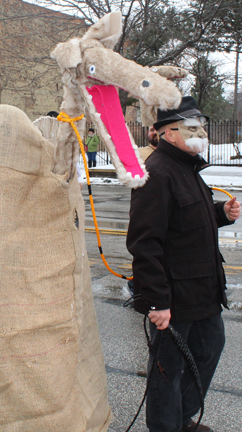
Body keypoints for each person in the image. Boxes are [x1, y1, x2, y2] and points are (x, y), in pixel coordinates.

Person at [126, 96, 240, 432]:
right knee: (167, 368)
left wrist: (220, 213)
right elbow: (144, 243)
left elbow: (186, 221)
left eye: (201, 125)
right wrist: (157, 301)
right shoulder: (156, 173)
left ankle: (183, 417)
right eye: (192, 127)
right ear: (168, 133)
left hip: (203, 290)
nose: (201, 132)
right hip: (174, 297)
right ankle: (165, 427)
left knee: (208, 351)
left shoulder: (189, 168)